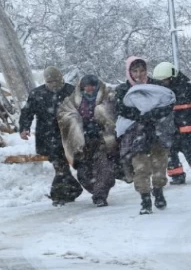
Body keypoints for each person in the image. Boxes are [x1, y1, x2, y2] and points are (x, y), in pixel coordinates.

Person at [116, 56, 174, 215]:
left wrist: (154, 113)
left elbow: (168, 104)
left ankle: (158, 191)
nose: (139, 74)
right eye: (134, 71)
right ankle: (145, 199)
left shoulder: (157, 86)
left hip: (158, 132)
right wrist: (140, 115)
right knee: (140, 168)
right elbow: (120, 108)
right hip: (135, 135)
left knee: (159, 165)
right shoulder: (123, 90)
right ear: (129, 72)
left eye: (142, 70)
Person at [19, 67, 83, 206]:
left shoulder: (71, 91)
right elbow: (27, 112)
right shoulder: (37, 94)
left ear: (61, 79)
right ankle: (60, 194)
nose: (53, 84)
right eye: (49, 81)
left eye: (55, 81)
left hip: (69, 134)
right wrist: (24, 128)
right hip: (48, 137)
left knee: (66, 165)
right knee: (60, 166)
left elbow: (84, 110)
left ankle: (70, 191)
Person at [57, 75, 118, 207]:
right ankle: (97, 189)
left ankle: (100, 195)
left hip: (102, 140)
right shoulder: (73, 100)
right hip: (83, 142)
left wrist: (100, 115)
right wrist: (76, 122)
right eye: (86, 86)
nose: (89, 88)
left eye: (92, 85)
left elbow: (112, 113)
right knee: (84, 173)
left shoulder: (108, 96)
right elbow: (64, 114)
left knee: (104, 167)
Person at [152, 61, 191, 185]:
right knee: (170, 154)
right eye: (160, 81)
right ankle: (177, 176)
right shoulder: (158, 91)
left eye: (165, 80)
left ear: (173, 77)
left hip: (187, 129)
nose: (162, 83)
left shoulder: (188, 88)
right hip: (167, 130)